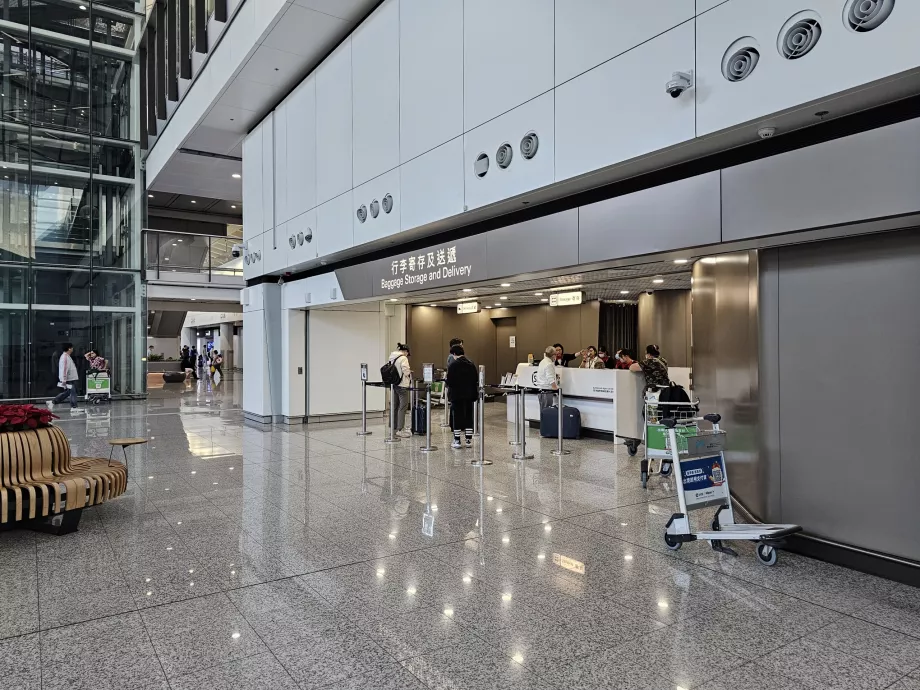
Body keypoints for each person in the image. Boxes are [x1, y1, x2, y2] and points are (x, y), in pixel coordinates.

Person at [445, 345, 477, 450]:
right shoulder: (471, 364)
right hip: (469, 395)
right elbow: (475, 379)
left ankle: (457, 440)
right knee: (468, 415)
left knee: (457, 416)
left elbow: (449, 381)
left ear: (454, 354)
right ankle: (468, 440)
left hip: (456, 395)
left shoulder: (453, 365)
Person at [387, 343, 413, 438]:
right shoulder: (403, 358)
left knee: (394, 406)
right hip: (402, 385)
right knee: (402, 407)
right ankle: (400, 429)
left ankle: (392, 428)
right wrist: (409, 371)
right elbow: (406, 371)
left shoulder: (391, 357)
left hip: (394, 384)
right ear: (405, 351)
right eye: (407, 353)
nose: (407, 355)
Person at [48, 342, 81, 412]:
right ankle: (74, 407)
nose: (73, 349)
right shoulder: (65, 357)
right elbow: (64, 368)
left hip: (70, 378)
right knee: (73, 392)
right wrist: (64, 379)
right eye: (72, 347)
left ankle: (53, 401)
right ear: (69, 348)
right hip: (69, 378)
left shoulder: (67, 356)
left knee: (68, 392)